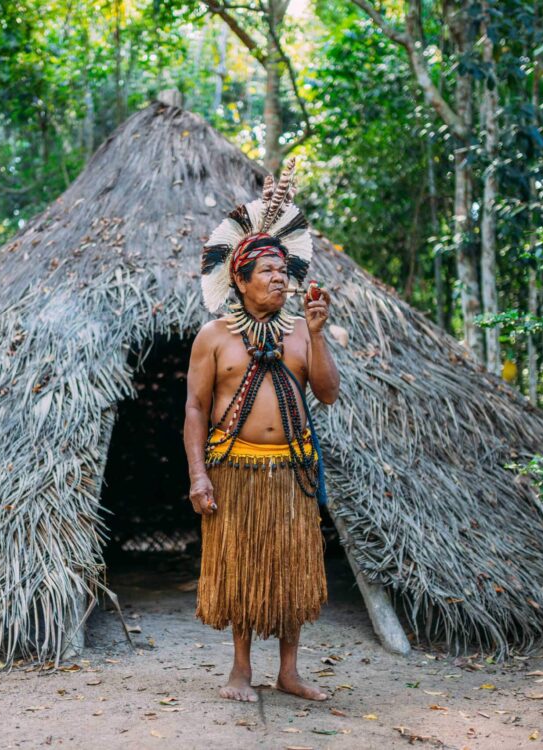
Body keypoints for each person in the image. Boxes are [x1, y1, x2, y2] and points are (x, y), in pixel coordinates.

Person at [184, 159, 340, 703]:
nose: (280, 279)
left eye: (283, 271)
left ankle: (290, 672)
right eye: (267, 272)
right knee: (244, 570)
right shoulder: (214, 337)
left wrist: (318, 338)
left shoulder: (301, 331)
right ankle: (240, 671)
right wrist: (198, 476)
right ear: (240, 280)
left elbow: (326, 393)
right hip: (235, 473)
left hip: (292, 472)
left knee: (292, 572)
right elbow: (196, 412)